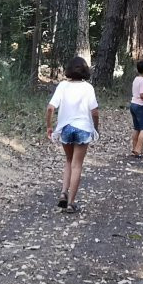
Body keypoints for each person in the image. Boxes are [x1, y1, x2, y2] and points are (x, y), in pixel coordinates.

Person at [45, 56, 100, 213]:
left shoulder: (63, 86)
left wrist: (49, 126)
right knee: (77, 165)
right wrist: (95, 128)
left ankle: (63, 192)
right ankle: (71, 203)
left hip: (66, 129)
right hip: (83, 129)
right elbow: (95, 111)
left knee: (68, 161)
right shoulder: (88, 88)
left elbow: (50, 108)